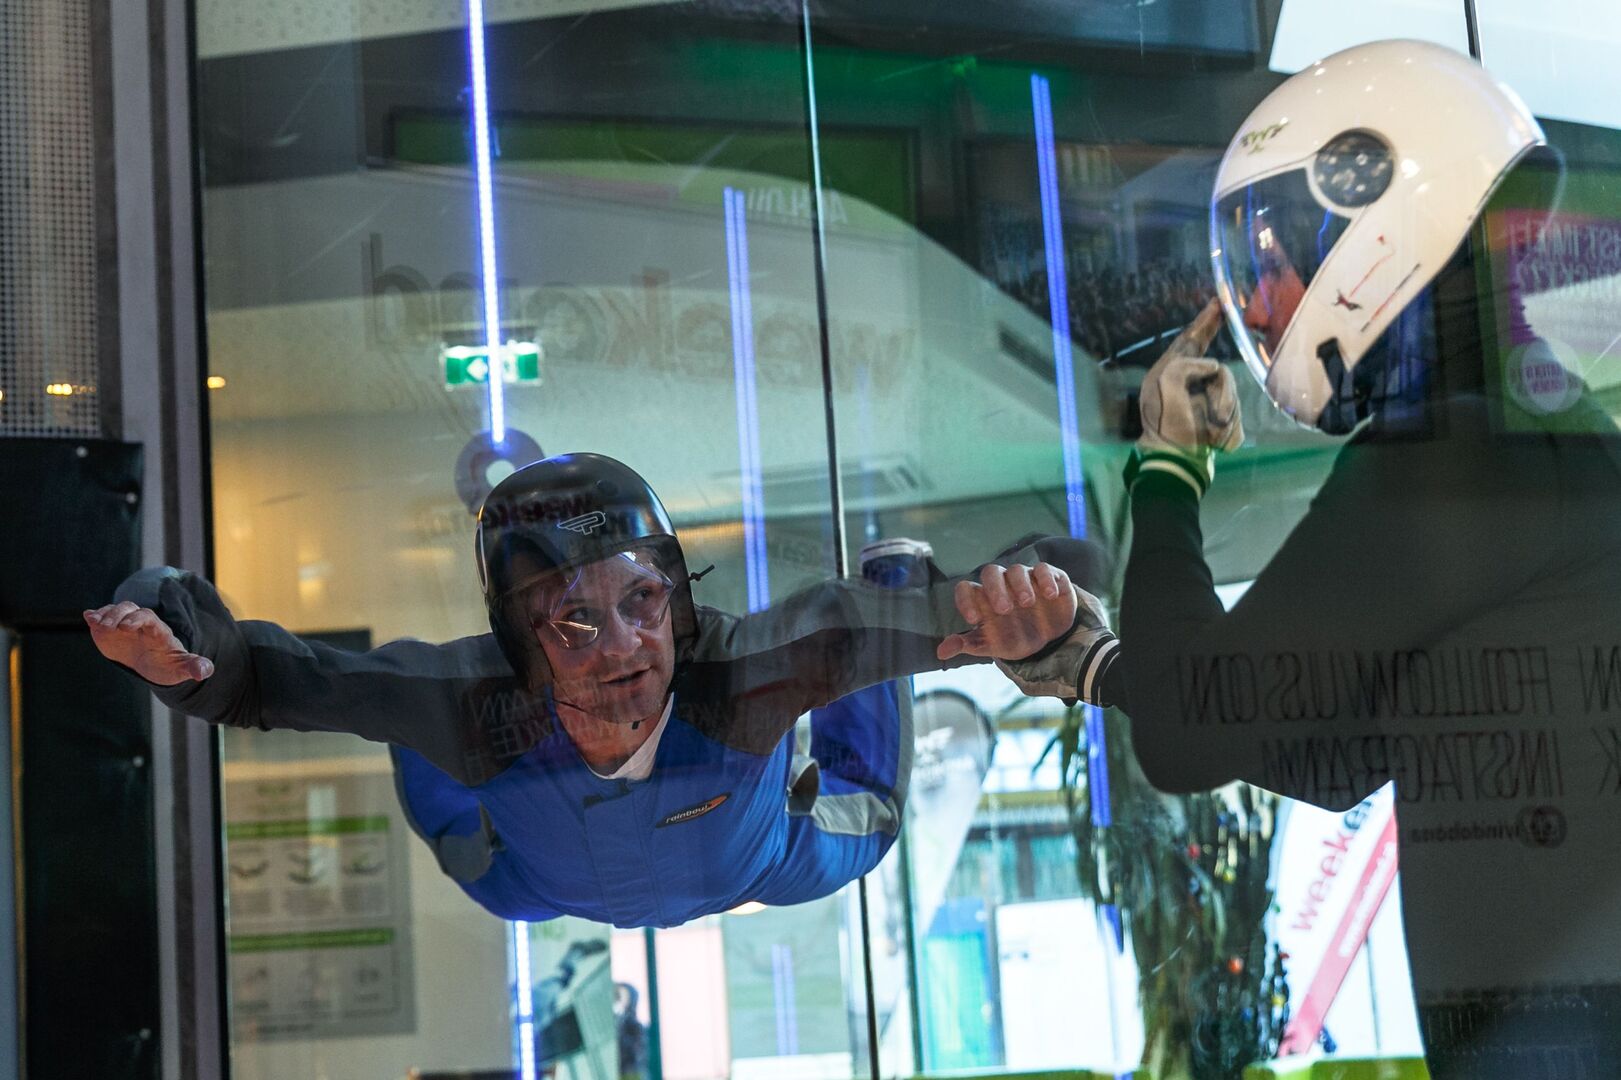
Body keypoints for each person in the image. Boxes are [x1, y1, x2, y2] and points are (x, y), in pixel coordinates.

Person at [1041, 40, 1621, 1080]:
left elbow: (1190, 733)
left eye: (1270, 257)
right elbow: (1334, 749)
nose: (1259, 305)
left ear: (1376, 224)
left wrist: (1166, 471)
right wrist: (1099, 667)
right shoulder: (1534, 438)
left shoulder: (1456, 458)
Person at [87, 452, 1109, 928]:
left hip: (758, 859)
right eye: (573, 620)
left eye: (644, 600)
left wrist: (1023, 616)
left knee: (872, 819)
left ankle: (896, 560)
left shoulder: (736, 674)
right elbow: (268, 676)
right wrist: (174, 644)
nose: (624, 646)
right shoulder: (478, 697)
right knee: (416, 730)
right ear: (518, 641)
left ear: (677, 599)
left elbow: (882, 633)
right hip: (534, 882)